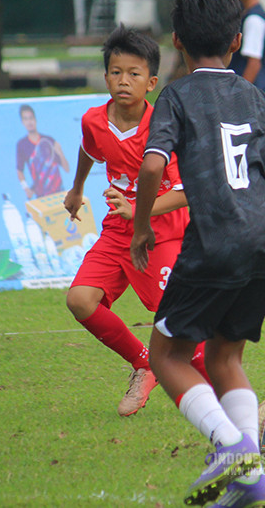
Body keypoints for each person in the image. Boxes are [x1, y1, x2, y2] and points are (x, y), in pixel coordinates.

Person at [130, 0, 265, 507]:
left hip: (217, 241)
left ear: (177, 40)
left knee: (167, 354)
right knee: (227, 355)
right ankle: (252, 479)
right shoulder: (256, 96)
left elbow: (153, 165)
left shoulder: (176, 96)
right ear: (235, 40)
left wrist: (141, 228)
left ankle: (233, 449)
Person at [62, 26, 206, 418]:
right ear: (106, 75)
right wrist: (76, 189)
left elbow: (187, 192)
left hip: (163, 232)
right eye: (115, 72)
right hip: (119, 230)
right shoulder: (94, 120)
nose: (123, 81)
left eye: (134, 74)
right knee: (80, 300)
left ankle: (229, 405)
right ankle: (144, 363)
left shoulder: (165, 125)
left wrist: (138, 210)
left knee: (182, 327)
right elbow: (90, 148)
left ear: (152, 82)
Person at [17, 104, 71, 199]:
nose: (29, 122)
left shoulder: (49, 140)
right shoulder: (22, 145)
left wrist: (60, 153)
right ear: (22, 122)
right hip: (42, 196)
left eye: (31, 118)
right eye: (26, 119)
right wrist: (26, 188)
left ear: (35, 119)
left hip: (59, 192)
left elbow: (66, 169)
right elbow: (20, 170)